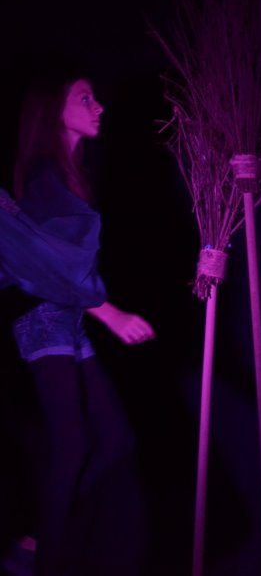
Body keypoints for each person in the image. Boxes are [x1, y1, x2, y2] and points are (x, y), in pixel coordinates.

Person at [1, 69, 154, 575]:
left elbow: (67, 262)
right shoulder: (44, 175)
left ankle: (35, 542)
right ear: (54, 109)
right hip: (46, 317)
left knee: (113, 439)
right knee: (72, 445)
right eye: (85, 98)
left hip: (66, 318)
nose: (99, 107)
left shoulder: (66, 175)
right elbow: (44, 262)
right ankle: (41, 560)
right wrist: (109, 313)